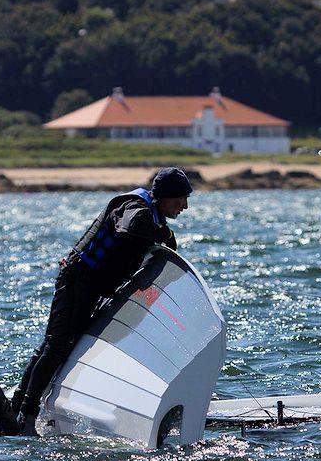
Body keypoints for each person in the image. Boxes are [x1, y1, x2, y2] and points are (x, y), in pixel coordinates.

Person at [12, 167, 193, 435]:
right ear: (165, 196)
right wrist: (162, 234)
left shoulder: (154, 218)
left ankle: (18, 407)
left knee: (57, 346)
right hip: (77, 280)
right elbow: (129, 230)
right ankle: (24, 415)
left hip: (91, 287)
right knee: (57, 346)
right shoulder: (134, 207)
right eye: (181, 200)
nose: (185, 207)